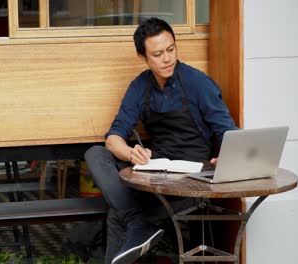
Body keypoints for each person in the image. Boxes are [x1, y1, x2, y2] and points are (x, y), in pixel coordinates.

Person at [85, 17, 238, 264]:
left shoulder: (197, 83)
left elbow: (228, 131)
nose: (167, 59)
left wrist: (227, 156)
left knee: (117, 212)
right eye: (157, 54)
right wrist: (130, 153)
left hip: (192, 179)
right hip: (156, 172)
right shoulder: (140, 86)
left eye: (171, 50)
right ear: (143, 58)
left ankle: (136, 224)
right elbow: (114, 137)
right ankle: (137, 222)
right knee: (95, 154)